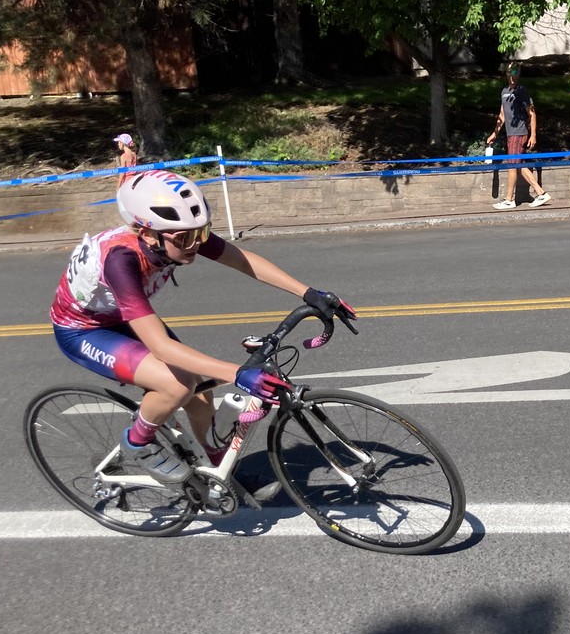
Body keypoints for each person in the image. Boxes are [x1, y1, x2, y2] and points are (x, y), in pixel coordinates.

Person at [49, 169, 355, 484]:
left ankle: (222, 474)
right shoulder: (121, 261)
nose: (195, 244)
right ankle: (137, 442)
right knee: (179, 384)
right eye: (185, 238)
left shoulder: (174, 235)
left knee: (200, 396)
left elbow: (241, 260)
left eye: (202, 233)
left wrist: (309, 293)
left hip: (121, 314)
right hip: (83, 330)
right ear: (146, 234)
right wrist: (237, 373)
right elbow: (161, 347)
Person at [485, 65, 551, 210]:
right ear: (506, 73)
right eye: (510, 72)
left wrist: (533, 135)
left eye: (516, 72)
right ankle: (541, 193)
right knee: (518, 165)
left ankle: (509, 200)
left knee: (512, 165)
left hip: (519, 133)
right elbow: (501, 115)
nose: (513, 75)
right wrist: (494, 133)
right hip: (510, 133)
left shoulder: (522, 91)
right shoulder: (504, 92)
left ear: (519, 74)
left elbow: (532, 114)